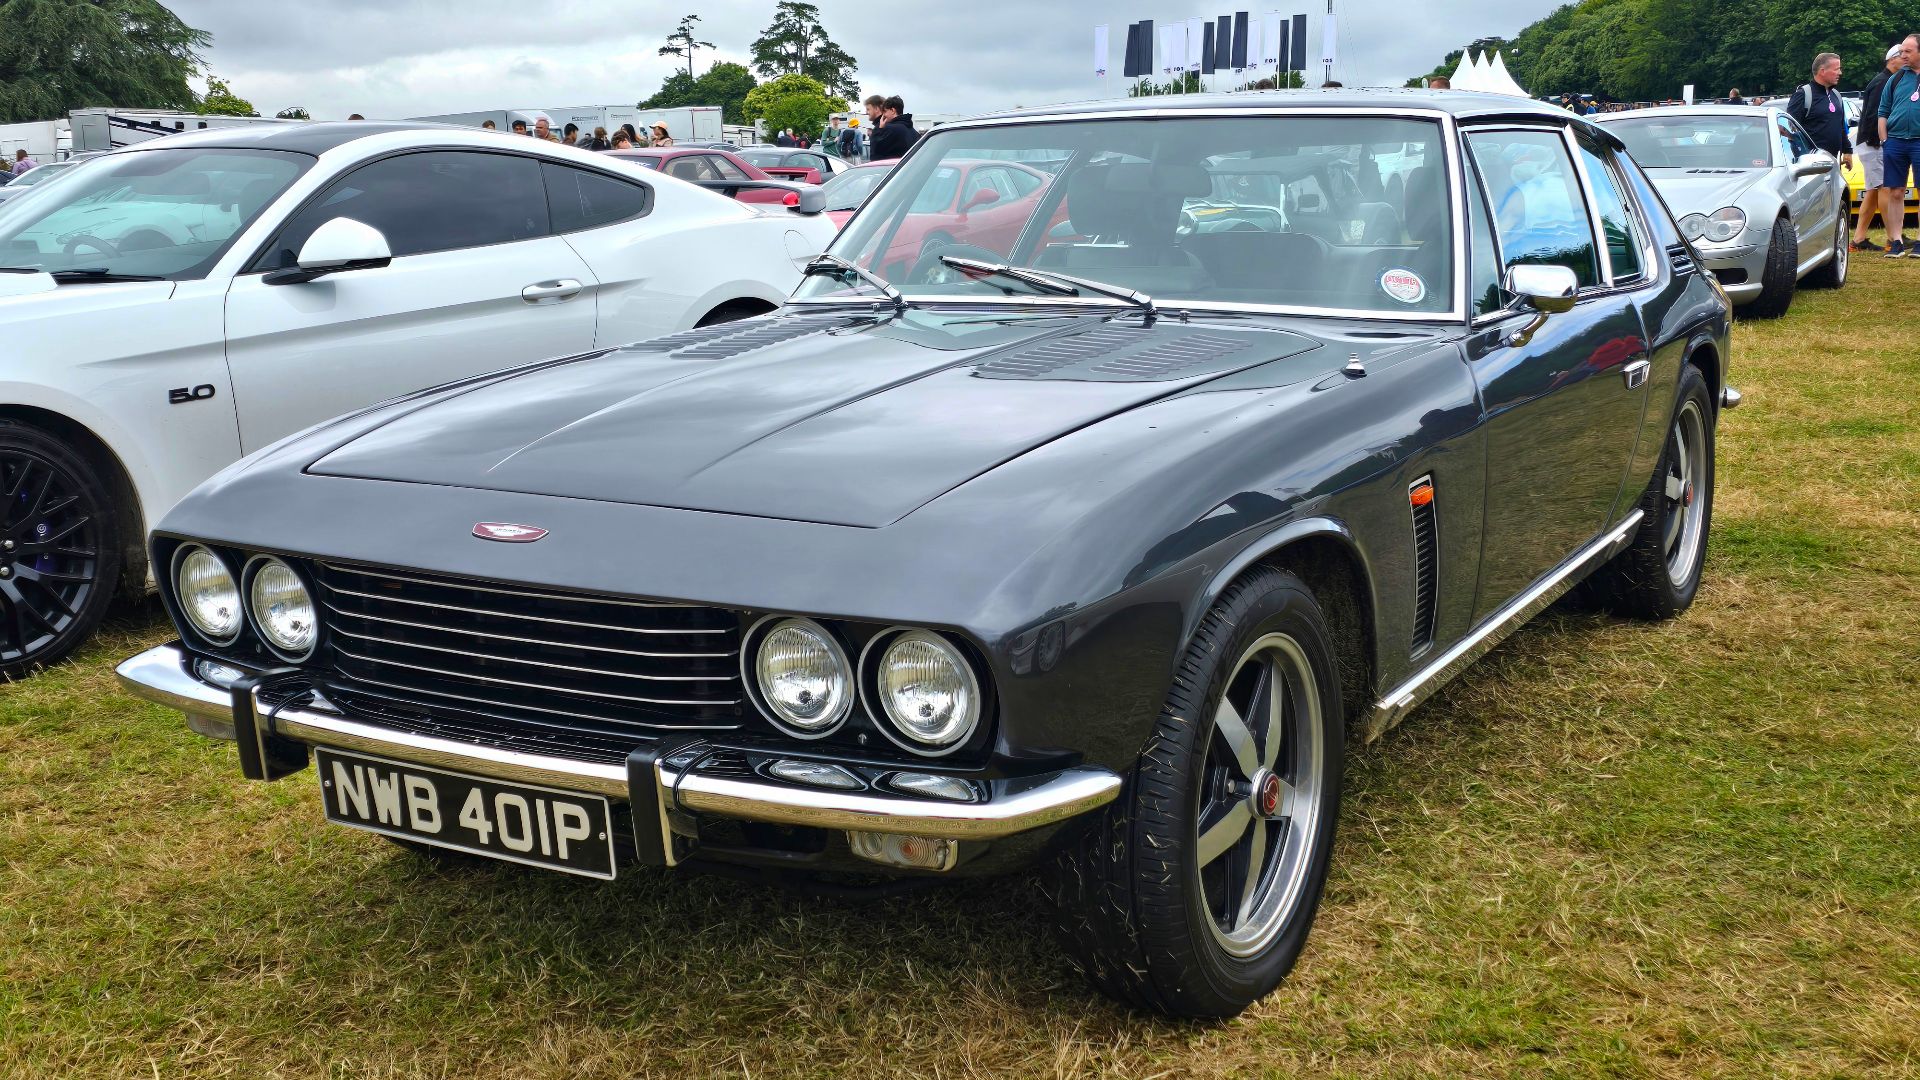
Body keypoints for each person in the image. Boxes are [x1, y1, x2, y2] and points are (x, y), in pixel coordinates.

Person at [1853, 45, 1904, 252]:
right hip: (1873, 143)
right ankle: (1892, 237)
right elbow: (1875, 116)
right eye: (1903, 57)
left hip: (1872, 143)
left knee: (1873, 192)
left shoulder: (1885, 80)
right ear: (1893, 60)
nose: (1906, 61)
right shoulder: (1883, 82)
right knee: (1885, 188)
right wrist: (1883, 141)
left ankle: (1858, 239)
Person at [1877, 34, 1920, 257]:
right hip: (1895, 142)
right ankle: (1896, 241)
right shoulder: (1895, 79)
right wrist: (1885, 140)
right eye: (1901, 51)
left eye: (1907, 51)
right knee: (1895, 191)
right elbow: (1883, 111)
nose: (1902, 55)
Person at [1787, 52, 1852, 168]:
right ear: (1822, 71)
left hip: (1834, 164)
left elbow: (1840, 126)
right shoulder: (1803, 95)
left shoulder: (1836, 95)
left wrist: (1847, 151)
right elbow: (1790, 131)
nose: (1840, 73)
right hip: (1811, 166)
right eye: (1836, 69)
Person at [870, 95, 919, 160]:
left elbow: (875, 153)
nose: (883, 115)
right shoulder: (914, 132)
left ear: (893, 110)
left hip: (891, 168)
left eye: (885, 111)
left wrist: (879, 129)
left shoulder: (890, 129)